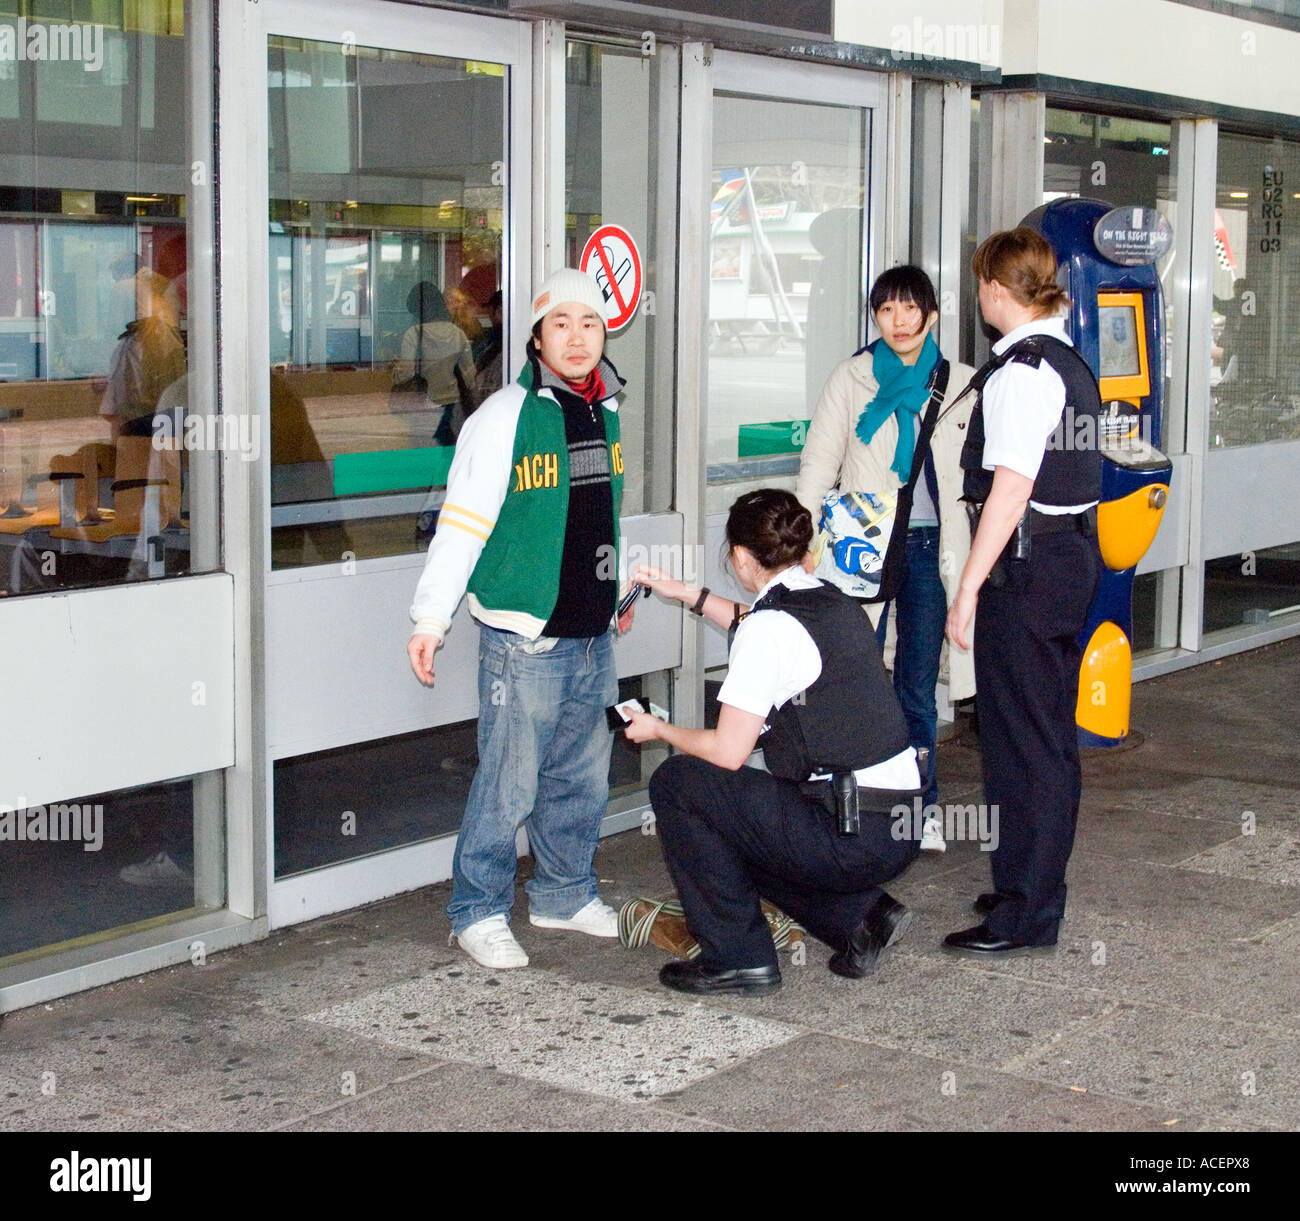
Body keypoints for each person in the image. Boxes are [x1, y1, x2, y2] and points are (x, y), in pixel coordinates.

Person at [407, 267, 634, 970]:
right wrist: (430, 617)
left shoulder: (607, 410)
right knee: (509, 781)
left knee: (581, 777)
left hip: (591, 633)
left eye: (589, 323)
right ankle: (476, 908)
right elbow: (463, 524)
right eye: (560, 324)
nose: (576, 337)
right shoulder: (503, 416)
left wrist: (614, 595)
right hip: (523, 639)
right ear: (536, 338)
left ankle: (563, 892)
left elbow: (604, 518)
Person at [625, 489, 922, 996]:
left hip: (851, 834)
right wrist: (685, 593)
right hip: (894, 822)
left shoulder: (771, 628)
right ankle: (862, 919)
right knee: (745, 816)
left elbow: (727, 751)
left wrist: (658, 729)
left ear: (741, 558)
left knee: (681, 784)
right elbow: (755, 623)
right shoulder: (829, 599)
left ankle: (738, 960)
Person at [943, 227, 1103, 957]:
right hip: (1068, 562)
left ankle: (1026, 910)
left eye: (983, 284)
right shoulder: (1067, 360)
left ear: (998, 292)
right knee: (1047, 739)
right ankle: (1031, 884)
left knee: (1020, 747)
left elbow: (1008, 493)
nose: (979, 297)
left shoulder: (1019, 373)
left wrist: (968, 588)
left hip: (1025, 571)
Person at [796, 266, 976, 852]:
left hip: (931, 549)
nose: (898, 322)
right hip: (860, 545)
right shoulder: (850, 379)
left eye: (909, 309)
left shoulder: (959, 382)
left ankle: (919, 806)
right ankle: (852, 796)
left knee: (917, 684)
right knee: (854, 676)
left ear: (932, 314)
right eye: (886, 310)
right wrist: (804, 546)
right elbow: (818, 465)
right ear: (874, 316)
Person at [394, 281, 475, 446]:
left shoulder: (414, 334)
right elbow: (470, 375)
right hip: (454, 406)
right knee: (449, 455)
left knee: (424, 455)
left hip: (425, 406)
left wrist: (395, 372)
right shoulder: (458, 333)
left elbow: (406, 374)